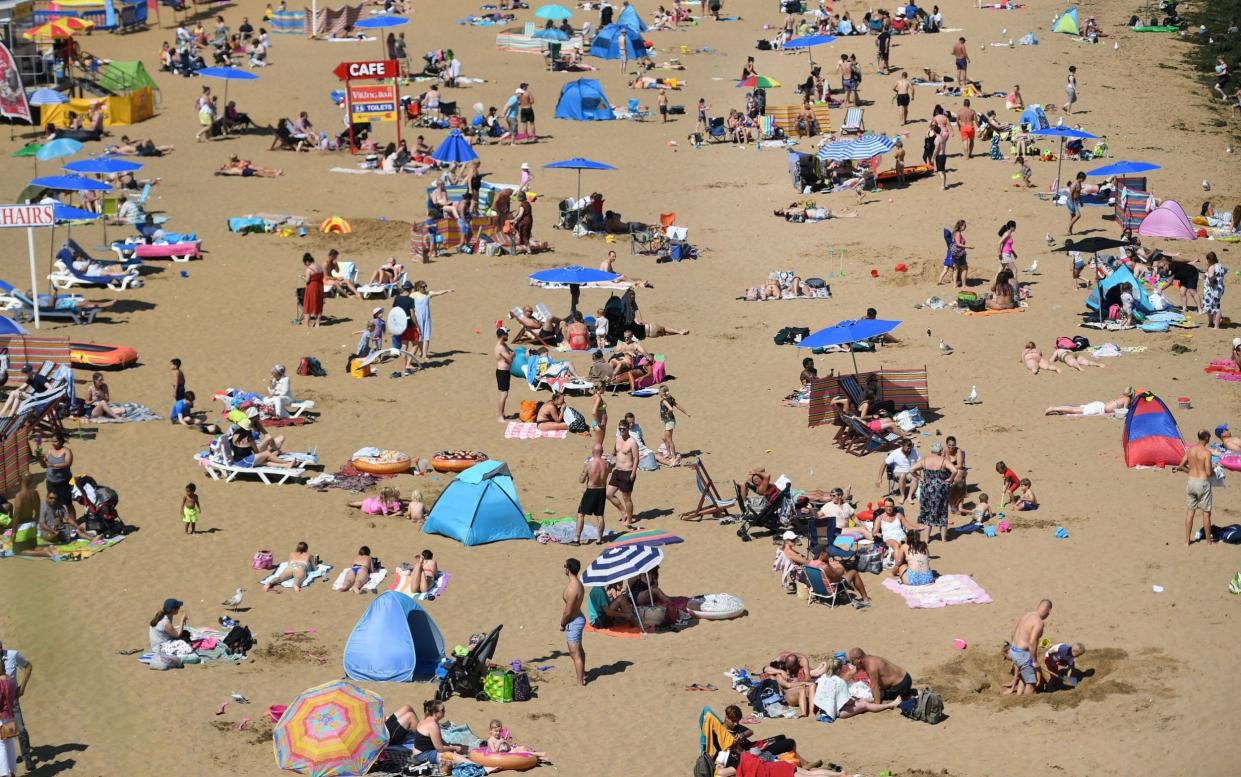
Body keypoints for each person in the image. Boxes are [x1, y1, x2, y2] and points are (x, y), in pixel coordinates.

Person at [906, 441, 957, 542]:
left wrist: (920, 478)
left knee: (927, 513)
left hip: (927, 488)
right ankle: (943, 538)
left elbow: (911, 469)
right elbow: (955, 470)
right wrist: (950, 479)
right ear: (940, 451)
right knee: (942, 512)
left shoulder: (925, 460)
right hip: (941, 488)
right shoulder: (943, 460)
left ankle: (926, 539)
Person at [1176, 430, 1216, 547]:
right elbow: (1208, 472)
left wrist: (1190, 472)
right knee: (1206, 513)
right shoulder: (1206, 452)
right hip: (1202, 483)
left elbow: (1180, 465)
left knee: (1190, 512)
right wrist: (1216, 472)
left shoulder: (1190, 450)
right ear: (1207, 438)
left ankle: (1187, 541)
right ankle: (1208, 542)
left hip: (1191, 481)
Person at [1005, 600, 1052, 695]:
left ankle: (1019, 696)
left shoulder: (1027, 615)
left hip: (1013, 650)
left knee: (1024, 676)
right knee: (1031, 683)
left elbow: (1013, 632)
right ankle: (1026, 704)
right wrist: (1034, 661)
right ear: (1049, 611)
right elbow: (1031, 642)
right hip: (1022, 654)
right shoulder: (1038, 622)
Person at [0, 637, 31, 771]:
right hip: (2, 705)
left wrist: (22, 687)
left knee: (20, 729)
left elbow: (28, 666)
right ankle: (10, 766)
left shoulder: (13, 655)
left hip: (12, 701)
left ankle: (27, 757)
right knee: (7, 737)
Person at [407, 700, 468, 765]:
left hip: (421, 752)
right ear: (434, 712)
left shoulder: (426, 719)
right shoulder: (433, 725)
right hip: (422, 756)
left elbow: (440, 742)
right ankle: (474, 765)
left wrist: (450, 746)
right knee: (455, 757)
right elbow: (440, 749)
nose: (444, 711)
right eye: (442, 710)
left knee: (458, 748)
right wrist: (453, 748)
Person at [875, 498, 926, 576]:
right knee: (896, 544)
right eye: (887, 506)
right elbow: (874, 532)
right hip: (889, 537)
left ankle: (912, 564)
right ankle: (898, 566)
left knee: (905, 543)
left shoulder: (898, 515)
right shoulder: (880, 518)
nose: (889, 508)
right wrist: (877, 534)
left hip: (901, 535)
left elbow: (908, 526)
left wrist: (918, 528)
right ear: (884, 507)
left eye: (891, 506)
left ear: (893, 506)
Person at [574, 443, 611, 545]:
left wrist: (584, 471)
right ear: (602, 452)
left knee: (581, 514)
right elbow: (609, 470)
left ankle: (577, 539)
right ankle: (599, 539)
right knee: (600, 515)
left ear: (593, 452)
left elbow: (581, 480)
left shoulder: (589, 464)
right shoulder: (607, 464)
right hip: (602, 490)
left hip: (591, 490)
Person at [846, 648, 912, 703]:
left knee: (875, 695)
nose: (852, 663)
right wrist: (839, 682)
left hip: (901, 684)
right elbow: (851, 673)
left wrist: (876, 703)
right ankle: (909, 693)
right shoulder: (867, 659)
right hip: (905, 677)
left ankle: (909, 695)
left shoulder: (871, 667)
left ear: (858, 660)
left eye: (852, 661)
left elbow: (875, 687)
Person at [607, 420, 638, 526]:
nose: (621, 431)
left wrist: (633, 473)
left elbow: (636, 458)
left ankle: (629, 519)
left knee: (627, 498)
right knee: (609, 494)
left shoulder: (632, 442)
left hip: (627, 472)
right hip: (617, 471)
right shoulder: (618, 439)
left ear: (628, 429)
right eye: (619, 429)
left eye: (623, 429)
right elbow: (615, 452)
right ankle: (623, 511)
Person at [561, 558, 587, 686]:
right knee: (579, 649)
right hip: (578, 618)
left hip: (574, 621)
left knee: (574, 653)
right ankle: (582, 676)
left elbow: (567, 611)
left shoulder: (572, 588)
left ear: (568, 569)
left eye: (564, 566)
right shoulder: (578, 583)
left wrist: (562, 624)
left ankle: (580, 683)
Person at [877, 439, 920, 503]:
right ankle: (902, 496)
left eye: (910, 448)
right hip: (898, 472)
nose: (909, 450)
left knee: (915, 476)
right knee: (902, 475)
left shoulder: (914, 451)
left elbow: (920, 461)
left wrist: (918, 470)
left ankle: (909, 496)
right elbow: (884, 464)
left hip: (910, 472)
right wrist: (879, 478)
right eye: (908, 448)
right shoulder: (895, 453)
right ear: (902, 446)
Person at [1044, 387, 1134, 416]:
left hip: (1100, 405)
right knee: (1074, 410)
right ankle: (1053, 408)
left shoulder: (1121, 397)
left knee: (1076, 409)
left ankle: (1057, 409)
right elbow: (1125, 410)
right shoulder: (1127, 399)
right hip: (1100, 408)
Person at [1201, 251, 1225, 328]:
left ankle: (1216, 326)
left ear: (1209, 259)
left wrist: (1210, 282)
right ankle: (1211, 323)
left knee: (1215, 307)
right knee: (1211, 306)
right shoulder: (1220, 265)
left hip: (1212, 289)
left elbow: (1211, 276)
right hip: (1219, 288)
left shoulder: (1212, 267)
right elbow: (1224, 272)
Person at [495, 327, 514, 422]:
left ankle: (502, 414)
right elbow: (510, 359)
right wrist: (512, 355)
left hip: (505, 371)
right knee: (504, 394)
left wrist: (512, 353)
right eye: (507, 334)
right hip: (502, 372)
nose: (508, 335)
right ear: (503, 335)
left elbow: (510, 351)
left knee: (505, 394)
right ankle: (500, 416)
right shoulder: (500, 347)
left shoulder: (503, 344)